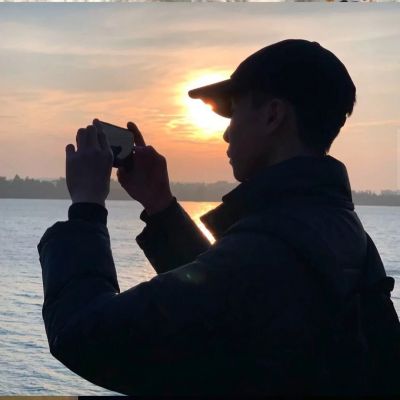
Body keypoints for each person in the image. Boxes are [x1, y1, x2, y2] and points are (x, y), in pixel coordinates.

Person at [38, 39, 400, 396]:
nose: (227, 133)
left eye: (235, 113)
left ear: (273, 116)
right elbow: (230, 307)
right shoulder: (339, 233)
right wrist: (160, 206)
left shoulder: (268, 253)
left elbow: (83, 335)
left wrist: (87, 206)